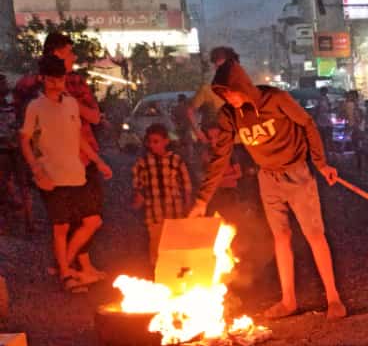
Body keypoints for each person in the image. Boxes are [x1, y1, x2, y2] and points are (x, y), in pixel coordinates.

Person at [189, 59, 347, 321]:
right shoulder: (229, 115)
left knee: (314, 235)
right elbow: (220, 156)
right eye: (223, 94)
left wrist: (321, 164)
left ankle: (333, 298)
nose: (229, 98)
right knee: (281, 237)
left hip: (297, 173)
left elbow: (307, 124)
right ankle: (288, 301)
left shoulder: (275, 99)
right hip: (268, 178)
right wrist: (202, 200)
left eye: (232, 91)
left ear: (243, 86)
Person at [19, 55, 112, 293]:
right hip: (51, 176)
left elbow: (79, 137)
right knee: (60, 226)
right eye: (51, 79)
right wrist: (36, 170)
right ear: (43, 79)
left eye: (59, 79)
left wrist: (98, 161)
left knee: (93, 220)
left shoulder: (70, 103)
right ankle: (66, 275)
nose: (56, 84)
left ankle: (64, 266)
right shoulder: (36, 107)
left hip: (76, 174)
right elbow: (25, 139)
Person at [36, 31, 109, 282]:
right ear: (56, 53)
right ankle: (67, 270)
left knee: (91, 217)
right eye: (69, 52)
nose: (73, 57)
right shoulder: (37, 89)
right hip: (56, 163)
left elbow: (93, 117)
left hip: (83, 158)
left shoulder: (75, 83)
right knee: (67, 220)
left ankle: (69, 266)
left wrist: (69, 103)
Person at [132, 123, 192, 266]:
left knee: (176, 245)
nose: (152, 145)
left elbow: (186, 185)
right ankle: (158, 275)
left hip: (175, 211)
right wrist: (136, 203)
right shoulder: (143, 162)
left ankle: (177, 274)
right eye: (150, 142)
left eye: (156, 141)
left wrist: (187, 205)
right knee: (156, 247)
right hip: (154, 213)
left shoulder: (175, 160)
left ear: (166, 141)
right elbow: (138, 186)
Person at [0, 74, 32, 235]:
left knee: (22, 185)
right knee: (4, 187)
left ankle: (28, 222)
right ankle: (6, 223)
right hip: (3, 151)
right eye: (2, 83)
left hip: (15, 149)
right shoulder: (11, 105)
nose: (5, 86)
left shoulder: (13, 105)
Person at [315, 87, 334, 154]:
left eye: (326, 91)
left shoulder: (327, 99)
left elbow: (330, 108)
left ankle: (329, 149)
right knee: (322, 136)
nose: (325, 93)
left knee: (329, 135)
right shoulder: (319, 99)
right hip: (321, 119)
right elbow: (317, 109)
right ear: (322, 92)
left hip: (327, 119)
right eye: (324, 91)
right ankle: (324, 150)